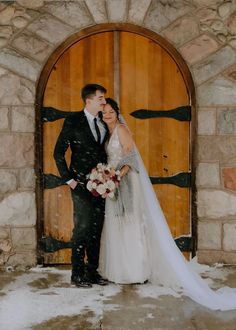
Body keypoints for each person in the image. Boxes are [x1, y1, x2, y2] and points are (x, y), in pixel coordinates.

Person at [98, 97, 236, 311]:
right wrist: (108, 178)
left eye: (110, 111)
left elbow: (131, 157)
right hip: (115, 184)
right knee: (118, 223)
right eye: (104, 112)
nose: (107, 115)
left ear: (117, 112)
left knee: (131, 223)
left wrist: (116, 177)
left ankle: (134, 270)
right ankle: (119, 269)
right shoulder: (108, 133)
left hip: (126, 182)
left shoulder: (122, 130)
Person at [54, 84, 109, 288]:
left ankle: (92, 272)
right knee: (82, 228)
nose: (104, 102)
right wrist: (69, 180)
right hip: (80, 185)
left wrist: (107, 178)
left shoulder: (104, 121)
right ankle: (77, 274)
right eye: (100, 98)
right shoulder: (73, 120)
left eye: (104, 98)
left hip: (103, 186)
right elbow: (58, 152)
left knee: (97, 228)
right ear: (88, 101)